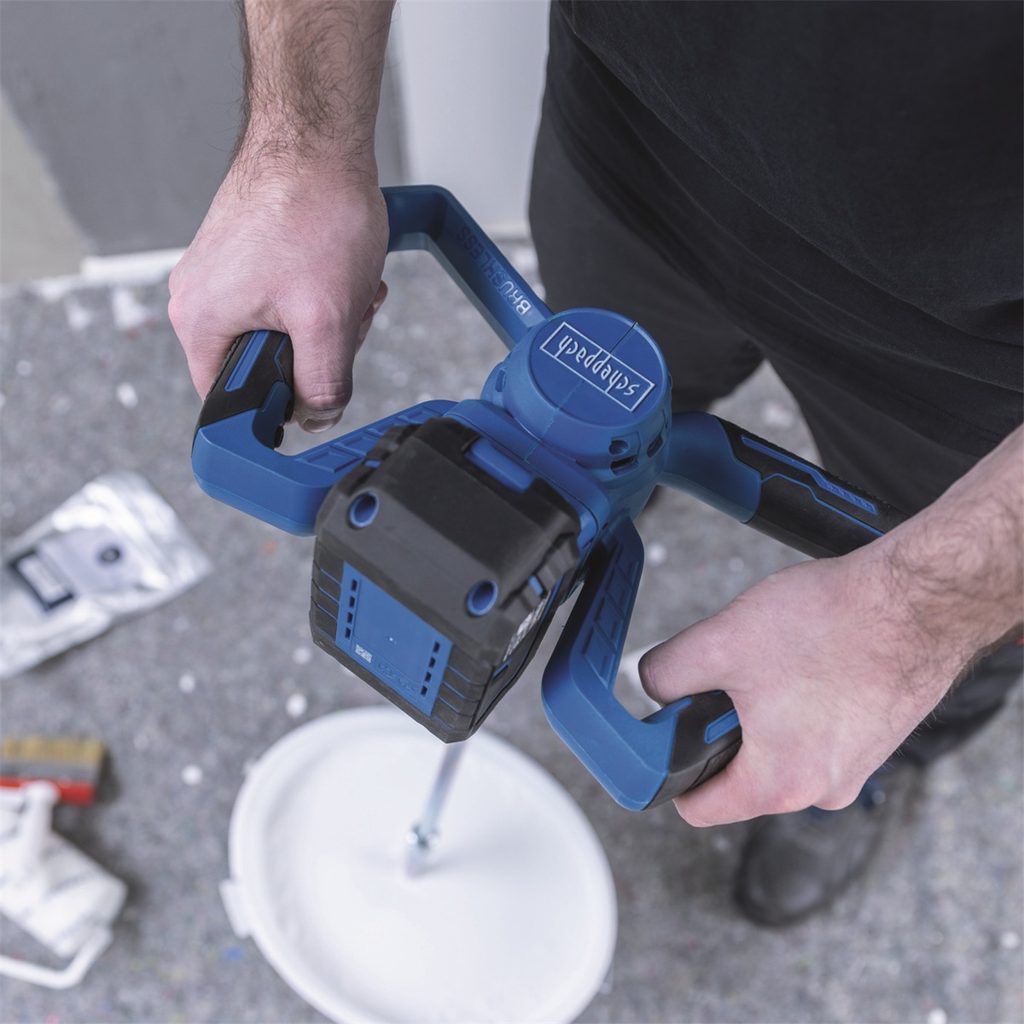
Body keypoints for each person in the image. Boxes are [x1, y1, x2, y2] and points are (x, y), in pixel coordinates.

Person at [169, 1, 1023, 926]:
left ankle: (866, 756)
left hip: (970, 342)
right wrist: (299, 151)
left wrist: (910, 622)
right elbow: (592, 709)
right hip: (637, 140)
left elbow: (232, 457)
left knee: (954, 597)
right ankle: (584, 518)